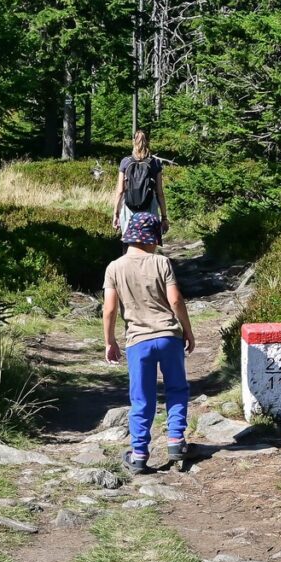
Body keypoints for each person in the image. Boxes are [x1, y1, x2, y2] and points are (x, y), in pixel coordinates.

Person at [102, 211, 196, 474]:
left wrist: (110, 341)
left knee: (141, 398)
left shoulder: (114, 267)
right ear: (151, 237)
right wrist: (187, 331)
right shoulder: (161, 263)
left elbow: (109, 310)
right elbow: (176, 300)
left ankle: (140, 454)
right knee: (177, 388)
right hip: (168, 337)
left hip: (138, 342)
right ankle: (176, 440)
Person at [112, 131, 169, 244]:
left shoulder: (125, 162)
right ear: (148, 142)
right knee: (149, 241)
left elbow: (120, 191)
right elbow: (160, 193)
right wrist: (164, 217)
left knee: (128, 242)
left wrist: (116, 214)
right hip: (150, 206)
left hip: (129, 207)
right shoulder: (155, 163)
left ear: (133, 142)